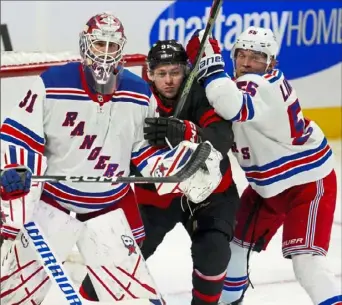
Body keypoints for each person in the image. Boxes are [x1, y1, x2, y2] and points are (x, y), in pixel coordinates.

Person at [0, 13, 223, 305]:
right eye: (99, 44)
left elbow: (145, 151)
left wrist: (178, 167)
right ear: (85, 45)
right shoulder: (51, 84)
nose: (105, 53)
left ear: (122, 49)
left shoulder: (140, 93)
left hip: (109, 209)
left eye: (112, 46)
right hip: (55, 203)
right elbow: (21, 136)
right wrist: (15, 174)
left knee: (134, 301)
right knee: (15, 296)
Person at [185, 26, 341, 305]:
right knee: (233, 248)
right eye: (241, 55)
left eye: (256, 57)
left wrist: (208, 61)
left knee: (307, 263)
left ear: (271, 62)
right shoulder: (238, 84)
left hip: (306, 184)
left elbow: (230, 104)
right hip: (266, 188)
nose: (246, 63)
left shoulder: (263, 85)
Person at [80, 39, 240, 305]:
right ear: (149, 73)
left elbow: (222, 139)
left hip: (210, 197)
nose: (169, 80)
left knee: (213, 252)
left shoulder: (203, 93)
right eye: (162, 73)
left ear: (186, 71)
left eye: (175, 72)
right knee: (107, 274)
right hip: (155, 199)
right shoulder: (134, 99)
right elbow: (117, 152)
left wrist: (187, 131)